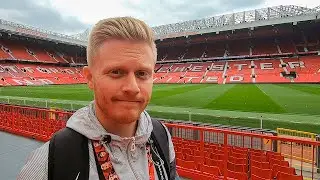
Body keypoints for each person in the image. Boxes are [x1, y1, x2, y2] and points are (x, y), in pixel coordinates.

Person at [17, 17, 177, 180]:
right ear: (90, 78)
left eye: (142, 74)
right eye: (116, 72)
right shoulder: (48, 163)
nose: (132, 87)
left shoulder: (161, 136)